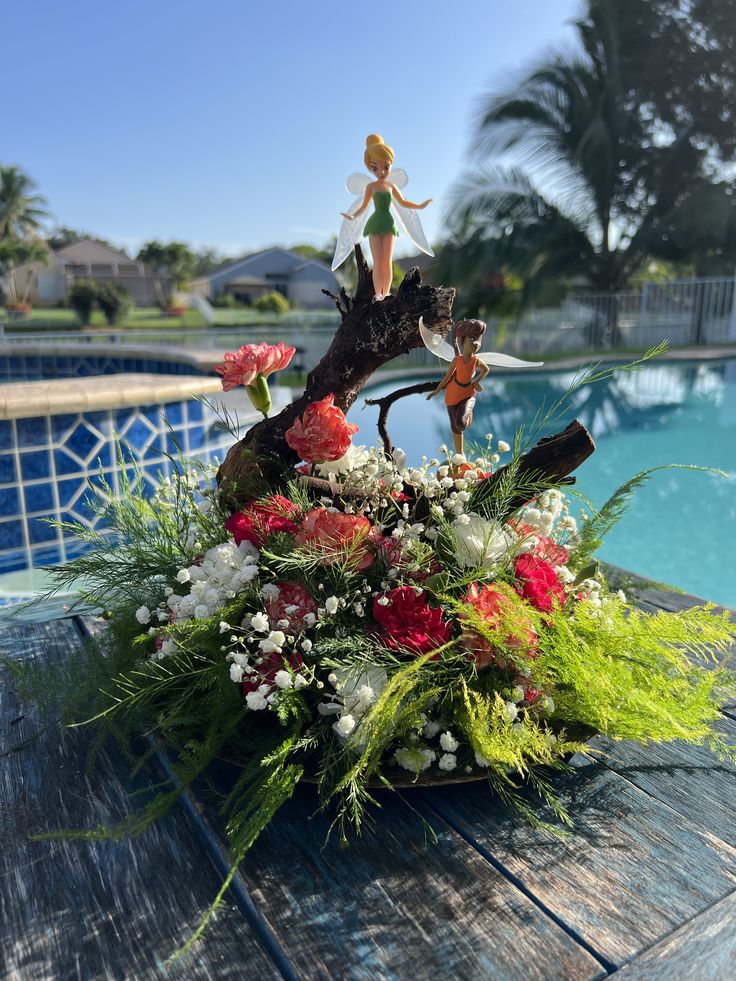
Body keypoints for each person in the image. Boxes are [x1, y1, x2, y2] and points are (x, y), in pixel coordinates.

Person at [338, 134, 432, 300]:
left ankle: (386, 292)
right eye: (375, 168)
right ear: (369, 168)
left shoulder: (391, 186)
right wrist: (352, 217)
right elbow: (363, 207)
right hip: (375, 224)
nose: (381, 172)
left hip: (388, 224)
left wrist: (419, 205)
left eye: (386, 167)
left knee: (386, 261)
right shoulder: (371, 187)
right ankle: (378, 293)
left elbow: (402, 202)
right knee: (377, 260)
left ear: (390, 165)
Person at [427, 319, 490, 454]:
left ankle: (468, 416)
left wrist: (477, 381)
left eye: (479, 339)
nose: (477, 343)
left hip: (468, 393)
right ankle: (459, 456)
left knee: (461, 423)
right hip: (452, 393)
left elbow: (486, 370)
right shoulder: (457, 360)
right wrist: (436, 391)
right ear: (462, 340)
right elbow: (447, 377)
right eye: (473, 338)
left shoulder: (476, 360)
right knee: (455, 427)